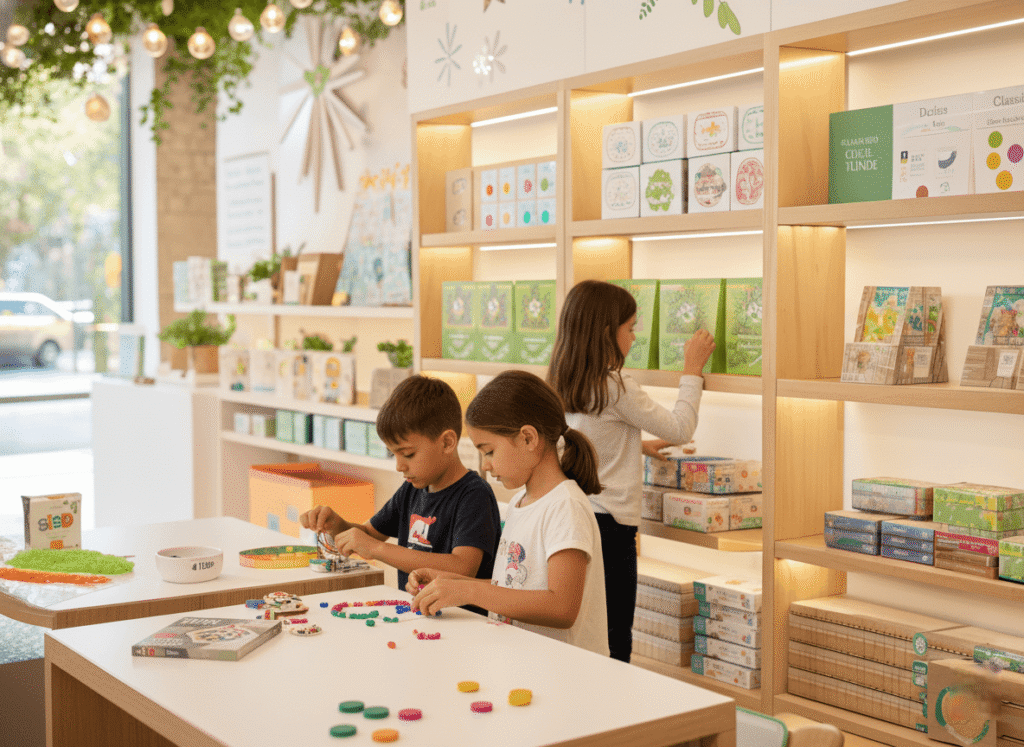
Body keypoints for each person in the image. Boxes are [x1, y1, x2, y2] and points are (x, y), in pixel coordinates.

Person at [547, 279, 715, 662]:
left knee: (584, 625)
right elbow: (680, 428)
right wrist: (692, 370)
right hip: (611, 527)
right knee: (615, 634)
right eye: (631, 328)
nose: (636, 337)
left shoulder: (563, 379)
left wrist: (633, 443)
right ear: (608, 333)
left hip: (574, 515)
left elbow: (579, 436)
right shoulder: (614, 384)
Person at [407, 370, 609, 657]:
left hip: (566, 675)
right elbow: (515, 585)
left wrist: (468, 593)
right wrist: (451, 582)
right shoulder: (519, 502)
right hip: (522, 664)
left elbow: (562, 608)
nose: (485, 465)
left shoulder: (565, 507)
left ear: (528, 438)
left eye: (488, 451)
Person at [299, 375, 501, 600]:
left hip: (466, 624)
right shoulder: (412, 490)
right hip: (417, 617)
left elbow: (463, 567)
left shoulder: (474, 495)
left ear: (447, 442)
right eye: (393, 454)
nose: (399, 466)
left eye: (408, 454)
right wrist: (337, 525)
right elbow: (367, 535)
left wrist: (376, 549)